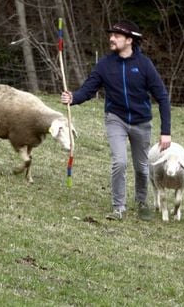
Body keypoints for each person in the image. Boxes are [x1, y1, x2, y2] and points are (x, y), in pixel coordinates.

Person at [61, 20, 171, 221]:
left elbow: (162, 97)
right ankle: (118, 207)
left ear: (129, 40)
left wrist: (166, 131)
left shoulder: (144, 65)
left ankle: (141, 201)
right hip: (116, 119)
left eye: (117, 36)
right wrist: (73, 98)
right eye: (111, 35)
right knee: (119, 162)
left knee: (142, 167)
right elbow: (88, 90)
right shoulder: (104, 64)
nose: (112, 39)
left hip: (141, 122)